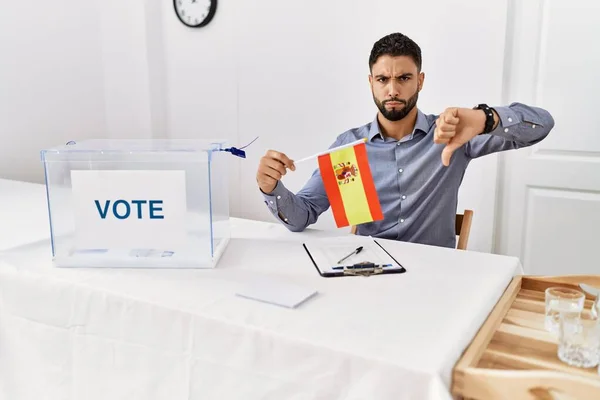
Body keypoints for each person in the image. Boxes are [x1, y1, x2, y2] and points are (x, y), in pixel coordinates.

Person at [255, 32, 555, 248]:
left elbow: (542, 125)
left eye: (404, 78)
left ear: (420, 81)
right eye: (383, 79)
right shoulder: (348, 148)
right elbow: (301, 216)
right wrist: (271, 188)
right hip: (366, 272)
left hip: (435, 278)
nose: (393, 90)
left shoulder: (453, 132)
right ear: (371, 82)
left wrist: (486, 118)